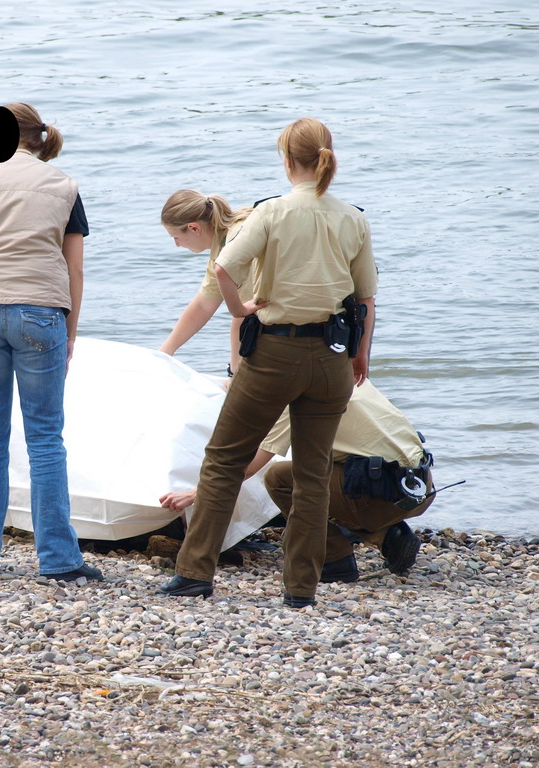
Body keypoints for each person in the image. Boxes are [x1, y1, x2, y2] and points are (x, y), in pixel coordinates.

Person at [159, 116, 377, 607]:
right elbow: (365, 299)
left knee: (223, 459)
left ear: (286, 160)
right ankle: (301, 589)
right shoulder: (353, 218)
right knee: (313, 471)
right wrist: (361, 355)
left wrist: (240, 311)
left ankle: (195, 573)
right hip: (333, 357)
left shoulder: (270, 213)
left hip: (275, 354)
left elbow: (223, 267)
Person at [0, 102, 102, 582]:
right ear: (38, 137)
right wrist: (70, 333)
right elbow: (74, 268)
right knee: (44, 438)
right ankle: (57, 559)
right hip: (40, 310)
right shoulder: (64, 186)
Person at [160, 381, 434, 580]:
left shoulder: (293, 394)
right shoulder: (343, 373)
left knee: (280, 477)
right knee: (316, 460)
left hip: (384, 494)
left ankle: (335, 557)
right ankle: (388, 536)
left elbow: (250, 465)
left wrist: (197, 493)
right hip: (421, 485)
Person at [158, 190, 253, 378]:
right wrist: (163, 354)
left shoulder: (235, 245)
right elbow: (203, 305)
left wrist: (234, 374)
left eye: (175, 237)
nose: (176, 244)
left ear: (194, 228)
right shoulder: (224, 241)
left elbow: (243, 314)